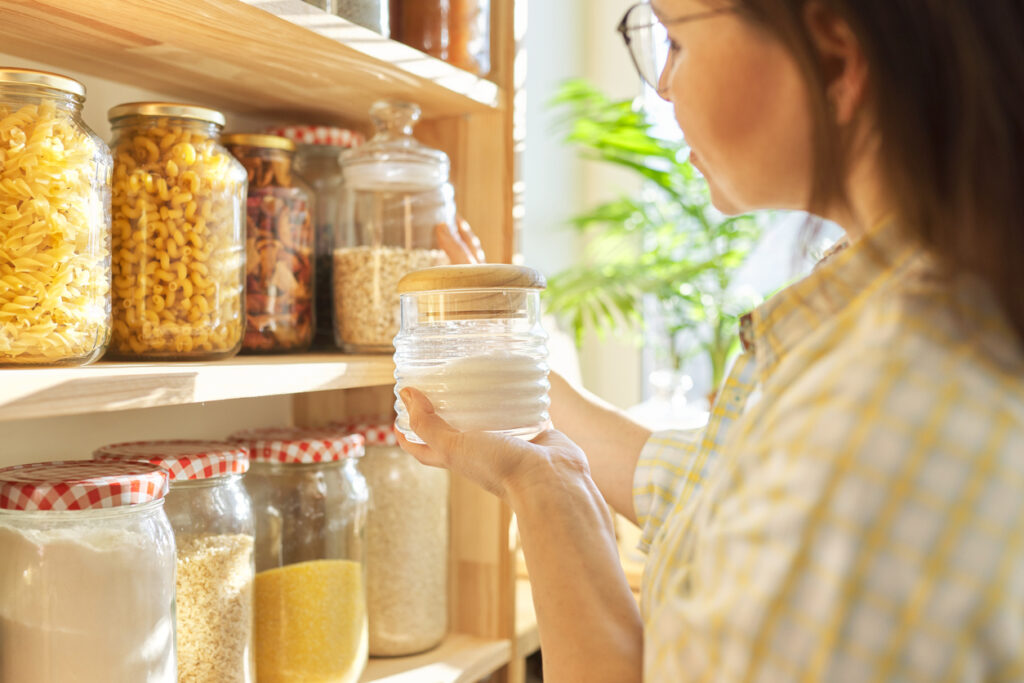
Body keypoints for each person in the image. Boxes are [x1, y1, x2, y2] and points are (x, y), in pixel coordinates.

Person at [412, 1, 1024, 680]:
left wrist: (541, 485)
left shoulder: (884, 410)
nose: (662, 82)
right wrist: (518, 378)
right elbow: (707, 485)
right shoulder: (904, 311)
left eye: (675, 39)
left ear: (835, 60)